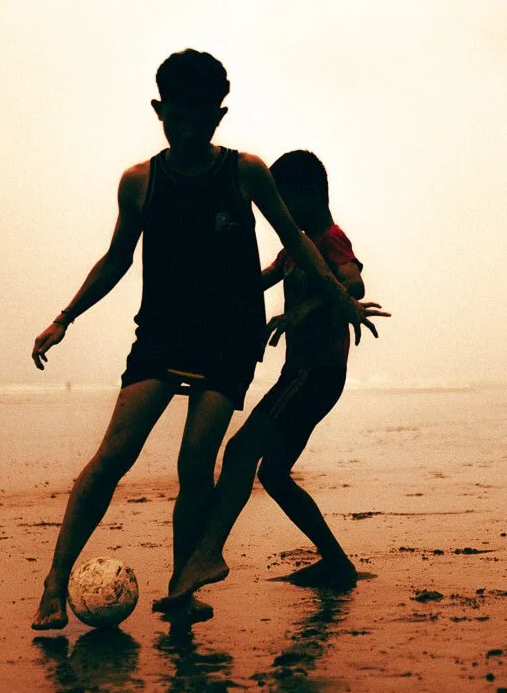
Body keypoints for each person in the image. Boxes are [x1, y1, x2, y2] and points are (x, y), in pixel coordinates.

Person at [30, 52, 386, 629]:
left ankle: (181, 588)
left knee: (196, 463)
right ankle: (53, 581)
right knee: (113, 456)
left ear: (220, 115)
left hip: (229, 338)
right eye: (180, 119)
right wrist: (65, 317)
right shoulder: (140, 183)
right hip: (163, 334)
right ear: (159, 111)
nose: (193, 132)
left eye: (204, 119)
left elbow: (296, 244)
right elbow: (118, 258)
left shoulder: (246, 172)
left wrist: (342, 301)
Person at [158, 149, 388, 607]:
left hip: (316, 373)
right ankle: (336, 562)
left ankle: (208, 554)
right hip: (301, 374)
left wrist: (305, 310)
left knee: (241, 450)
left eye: (282, 201)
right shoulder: (293, 248)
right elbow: (252, 281)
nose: (275, 211)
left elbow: (353, 282)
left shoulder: (329, 239)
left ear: (305, 196)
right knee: (275, 474)